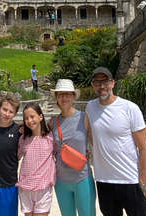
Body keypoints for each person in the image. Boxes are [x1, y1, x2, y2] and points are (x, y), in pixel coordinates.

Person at [85, 67, 146, 216]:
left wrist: (143, 183)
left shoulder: (130, 108)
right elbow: (88, 134)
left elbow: (144, 149)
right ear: (92, 85)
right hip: (104, 181)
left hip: (130, 180)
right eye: (97, 82)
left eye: (105, 81)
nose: (102, 86)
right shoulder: (90, 107)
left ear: (112, 83)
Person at [50, 79, 96, 216]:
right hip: (61, 181)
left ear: (73, 97)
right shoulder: (52, 122)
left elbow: (96, 144)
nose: (64, 98)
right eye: (60, 94)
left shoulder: (85, 118)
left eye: (67, 94)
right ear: (56, 97)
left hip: (82, 178)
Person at [16, 103, 57, 216]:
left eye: (32, 116)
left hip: (43, 187)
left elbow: (59, 154)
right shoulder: (24, 139)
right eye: (26, 118)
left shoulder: (50, 137)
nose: (29, 120)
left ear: (41, 117)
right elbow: (16, 157)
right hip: (26, 186)